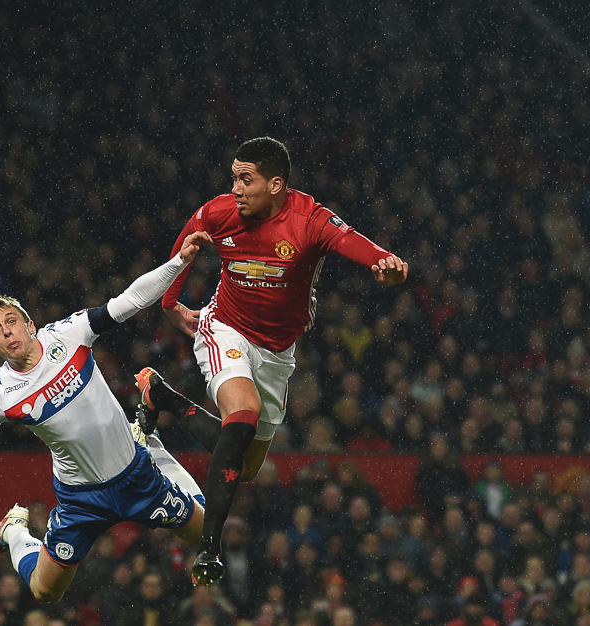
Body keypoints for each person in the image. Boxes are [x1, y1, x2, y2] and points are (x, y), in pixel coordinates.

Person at [0, 231, 213, 603]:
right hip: (81, 500)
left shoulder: (70, 334)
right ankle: (14, 532)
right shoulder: (2, 397)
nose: (7, 331)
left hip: (136, 477)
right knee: (45, 590)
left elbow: (130, 300)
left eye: (11, 321)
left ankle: (149, 443)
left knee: (206, 531)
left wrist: (179, 262)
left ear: (29, 324)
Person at [137, 136, 408, 584]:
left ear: (277, 184)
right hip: (224, 328)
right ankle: (209, 547)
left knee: (244, 467)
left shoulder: (310, 220)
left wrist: (386, 264)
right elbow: (186, 244)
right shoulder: (218, 212)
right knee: (243, 415)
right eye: (234, 179)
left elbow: (359, 245)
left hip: (278, 352)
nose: (236, 189)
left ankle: (165, 398)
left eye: (246, 180)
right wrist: (170, 302)